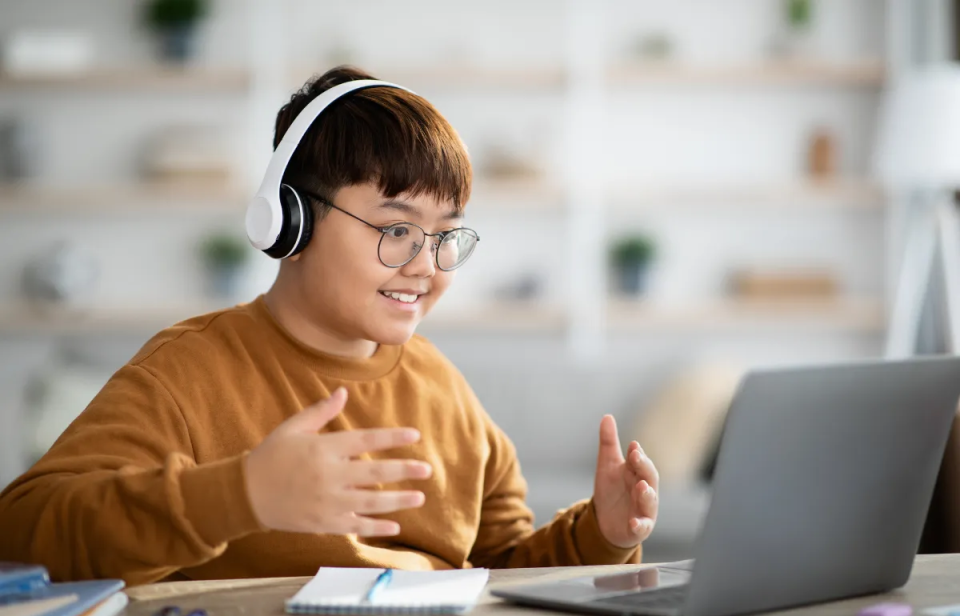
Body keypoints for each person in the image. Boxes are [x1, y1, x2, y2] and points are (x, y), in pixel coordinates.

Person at [0, 66, 659, 585]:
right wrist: (241, 494)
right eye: (397, 228)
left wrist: (600, 536)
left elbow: (500, 575)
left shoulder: (443, 388)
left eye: (447, 235)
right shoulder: (186, 374)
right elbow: (23, 532)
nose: (426, 265)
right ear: (291, 220)